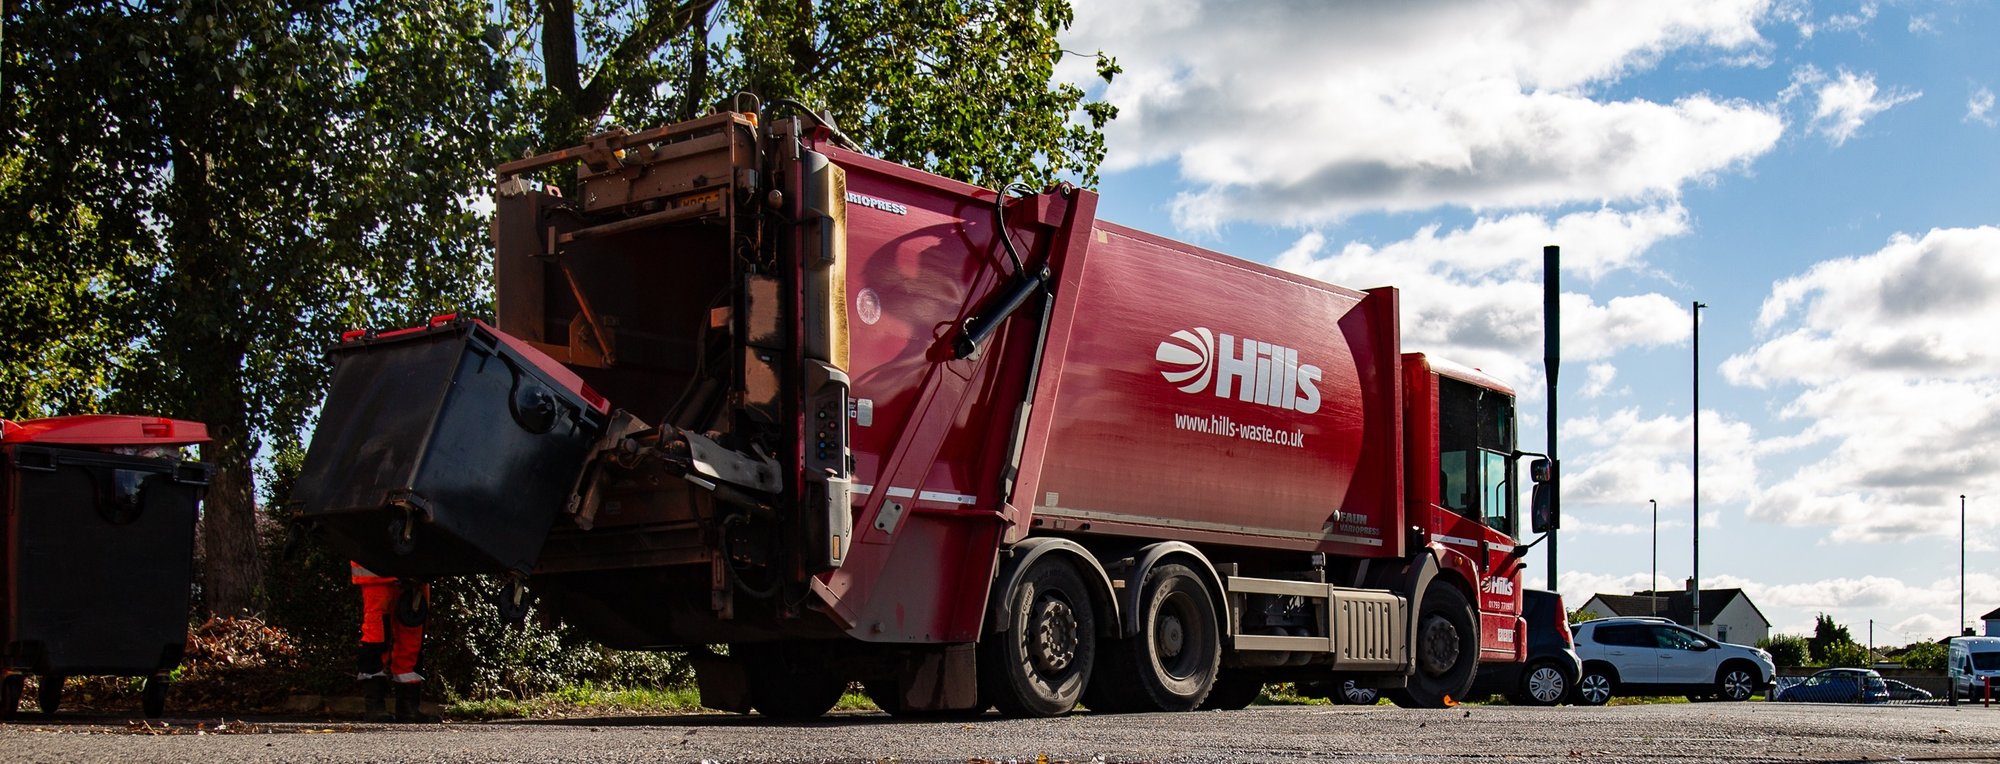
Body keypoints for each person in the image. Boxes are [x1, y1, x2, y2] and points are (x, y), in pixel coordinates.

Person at [351, 561, 432, 722]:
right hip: (377, 570)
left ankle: (407, 708)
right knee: (376, 636)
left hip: (413, 570)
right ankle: (376, 706)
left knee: (412, 638)